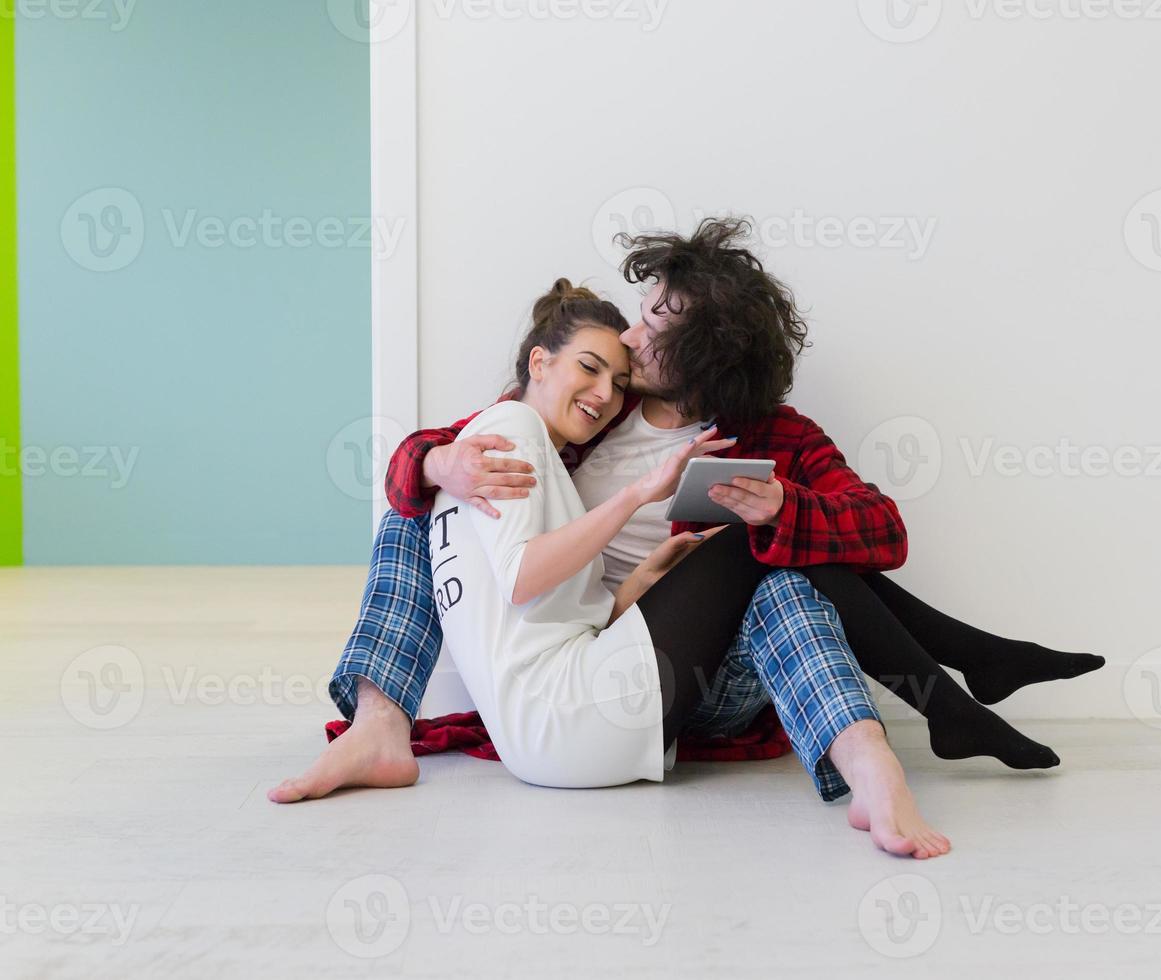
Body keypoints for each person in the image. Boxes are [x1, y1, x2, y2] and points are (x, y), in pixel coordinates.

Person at [269, 219, 1103, 840]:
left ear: (703, 350)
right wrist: (438, 464)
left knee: (778, 571)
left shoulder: (777, 436)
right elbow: (447, 452)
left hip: (710, 680)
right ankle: (380, 727)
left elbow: (882, 532)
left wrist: (786, 511)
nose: (629, 337)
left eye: (653, 323)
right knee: (409, 518)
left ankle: (874, 763)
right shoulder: (595, 401)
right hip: (591, 664)